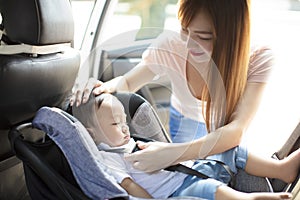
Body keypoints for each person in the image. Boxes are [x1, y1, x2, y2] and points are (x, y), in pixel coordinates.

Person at [70, 0, 288, 196]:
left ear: (231, 35)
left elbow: (235, 131)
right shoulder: (173, 45)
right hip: (184, 124)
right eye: (185, 30)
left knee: (234, 158)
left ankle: (282, 171)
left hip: (225, 133)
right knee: (190, 181)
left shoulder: (257, 58)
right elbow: (127, 82)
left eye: (203, 37)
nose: (188, 44)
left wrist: (172, 155)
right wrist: (101, 88)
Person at [73, 93, 299, 200]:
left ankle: (281, 169)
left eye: (124, 120)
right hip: (174, 191)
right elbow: (130, 187)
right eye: (115, 123)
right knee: (212, 190)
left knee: (229, 150)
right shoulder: (107, 159)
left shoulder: (127, 141)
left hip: (187, 169)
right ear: (92, 134)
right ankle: (250, 199)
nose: (124, 128)